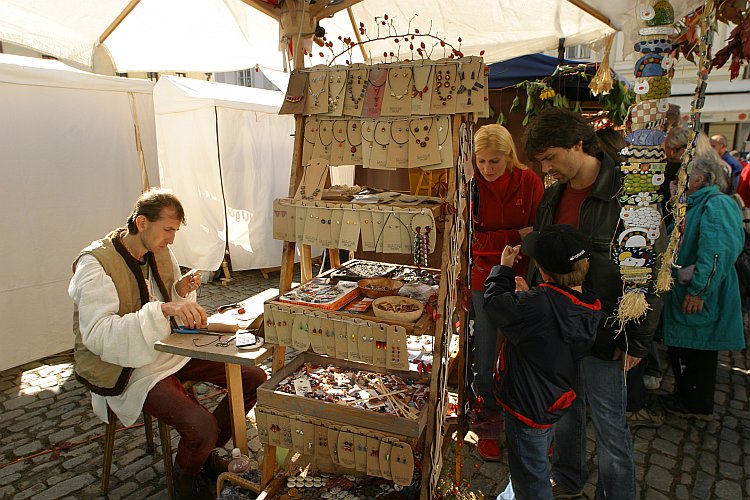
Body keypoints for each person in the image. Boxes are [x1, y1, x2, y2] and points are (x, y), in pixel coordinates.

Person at [69, 189, 267, 499]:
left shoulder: (159, 250)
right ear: (142, 222)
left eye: (175, 231)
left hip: (166, 347)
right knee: (202, 427)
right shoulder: (95, 265)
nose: (172, 239)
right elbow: (98, 334)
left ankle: (202, 453)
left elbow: (166, 302)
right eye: (168, 230)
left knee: (253, 378)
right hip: (124, 363)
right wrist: (163, 310)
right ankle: (186, 481)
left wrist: (180, 291)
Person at [523, 108, 663, 499]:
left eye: (551, 157)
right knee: (566, 409)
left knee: (609, 422)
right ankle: (568, 478)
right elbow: (545, 258)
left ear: (578, 144)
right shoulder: (552, 196)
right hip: (560, 326)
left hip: (607, 328)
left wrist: (638, 341)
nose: (546, 168)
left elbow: (651, 272)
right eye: (541, 162)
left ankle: (618, 494)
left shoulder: (629, 195)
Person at [483, 225, 601, 500]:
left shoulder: (540, 305)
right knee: (533, 463)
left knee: (531, 477)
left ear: (544, 271)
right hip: (553, 396)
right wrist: (530, 296)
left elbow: (495, 305)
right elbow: (547, 319)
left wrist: (503, 269)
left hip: (527, 403)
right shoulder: (586, 302)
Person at [469, 124, 544, 461]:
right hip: (480, 279)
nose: (487, 169)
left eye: (495, 162)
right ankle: (486, 423)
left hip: (521, 276)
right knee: (484, 352)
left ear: (509, 156)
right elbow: (471, 239)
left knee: (521, 352)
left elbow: (538, 233)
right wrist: (514, 233)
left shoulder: (528, 181)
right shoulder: (470, 183)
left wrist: (499, 240)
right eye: (482, 161)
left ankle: (524, 422)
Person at [662, 155, 746, 420]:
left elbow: (717, 251)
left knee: (700, 349)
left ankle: (696, 402)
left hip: (703, 290)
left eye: (682, 177)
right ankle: (688, 396)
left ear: (698, 179)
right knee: (691, 346)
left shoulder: (716, 204)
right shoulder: (695, 203)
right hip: (692, 286)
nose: (677, 183)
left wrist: (699, 290)